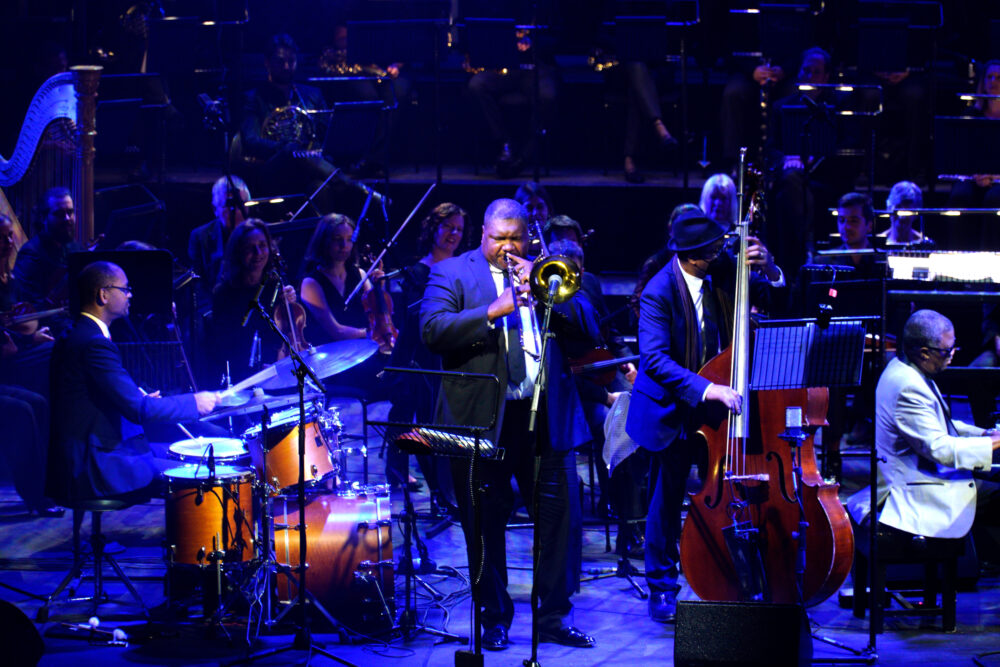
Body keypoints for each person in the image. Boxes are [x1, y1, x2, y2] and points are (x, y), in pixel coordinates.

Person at [420, 198, 596, 650]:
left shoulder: (546, 271)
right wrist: (494, 310)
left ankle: (555, 617)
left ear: (526, 237)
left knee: (559, 522)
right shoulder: (452, 272)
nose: (506, 247)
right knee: (485, 525)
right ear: (483, 233)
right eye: (498, 238)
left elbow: (590, 330)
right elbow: (433, 331)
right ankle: (494, 619)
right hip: (483, 423)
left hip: (545, 420)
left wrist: (546, 291)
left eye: (515, 238)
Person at [625, 206, 783, 623]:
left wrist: (769, 268)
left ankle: (735, 572)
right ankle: (661, 586)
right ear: (693, 256)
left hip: (720, 405)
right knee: (666, 497)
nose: (722, 254)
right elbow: (654, 360)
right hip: (672, 408)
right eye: (713, 251)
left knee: (726, 489)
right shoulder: (659, 291)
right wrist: (708, 388)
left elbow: (767, 293)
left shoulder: (722, 267)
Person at [47, 261, 219, 504]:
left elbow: (93, 399)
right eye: (125, 289)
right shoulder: (94, 344)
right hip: (96, 463)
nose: (130, 295)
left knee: (176, 452)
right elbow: (139, 410)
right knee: (199, 470)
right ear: (103, 294)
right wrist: (194, 403)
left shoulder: (77, 334)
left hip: (83, 453)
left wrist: (140, 400)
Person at [846, 310, 1000, 552]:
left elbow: (938, 424)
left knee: (993, 476)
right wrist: (993, 443)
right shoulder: (909, 386)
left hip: (917, 473)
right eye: (947, 351)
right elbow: (939, 449)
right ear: (924, 352)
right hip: (913, 488)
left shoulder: (907, 369)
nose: (952, 356)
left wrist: (984, 434)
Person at [383, 203, 468, 498]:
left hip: (453, 350)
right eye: (448, 227)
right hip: (420, 354)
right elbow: (415, 321)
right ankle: (425, 479)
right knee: (416, 413)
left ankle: (446, 479)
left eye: (458, 229)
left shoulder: (465, 266)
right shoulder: (419, 272)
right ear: (434, 228)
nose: (454, 234)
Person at [238, 33, 334, 205]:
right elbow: (250, 141)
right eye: (280, 61)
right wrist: (284, 148)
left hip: (307, 170)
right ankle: (351, 185)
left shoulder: (312, 95)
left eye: (292, 61)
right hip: (272, 170)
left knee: (321, 190)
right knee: (291, 151)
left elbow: (327, 133)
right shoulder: (253, 98)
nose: (287, 66)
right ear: (267, 63)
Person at [209, 219, 297, 386]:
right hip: (243, 376)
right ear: (238, 252)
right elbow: (225, 346)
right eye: (250, 248)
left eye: (263, 245)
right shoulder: (225, 293)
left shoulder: (275, 284)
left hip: (279, 369)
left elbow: (287, 333)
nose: (258, 253)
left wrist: (291, 302)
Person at [12, 187, 85, 335]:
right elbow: (35, 309)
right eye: (59, 214)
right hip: (49, 331)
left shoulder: (73, 247)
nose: (67, 219)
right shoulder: (30, 255)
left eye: (70, 212)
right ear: (44, 218)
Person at [187, 175, 251, 312]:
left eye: (241, 204)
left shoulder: (258, 235)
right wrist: (209, 313)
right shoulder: (200, 237)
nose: (237, 211)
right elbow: (197, 282)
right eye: (229, 205)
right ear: (215, 209)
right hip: (215, 309)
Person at [879, 180, 931, 247]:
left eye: (907, 210)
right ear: (889, 208)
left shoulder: (924, 244)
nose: (902, 216)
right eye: (898, 208)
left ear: (916, 213)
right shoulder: (877, 244)